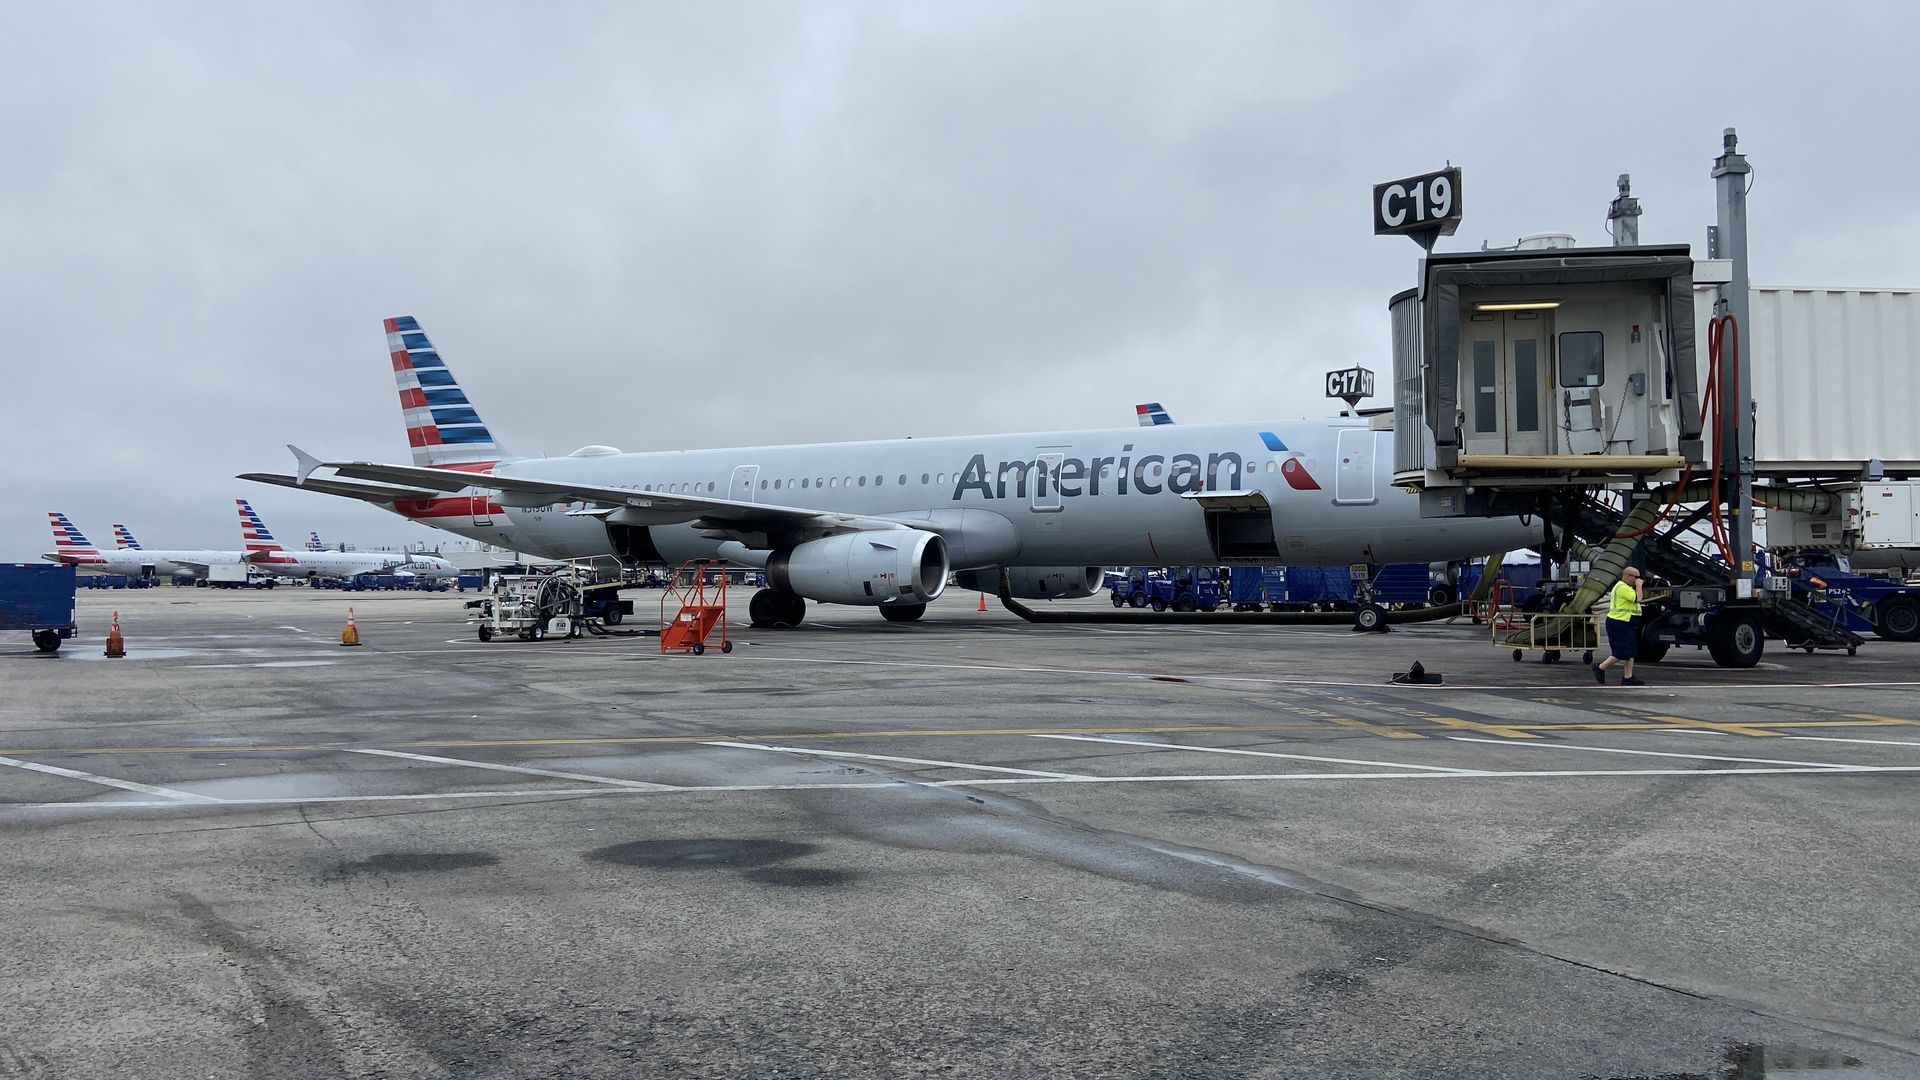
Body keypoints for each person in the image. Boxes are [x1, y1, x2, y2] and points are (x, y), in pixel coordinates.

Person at [1594, 566, 1646, 686]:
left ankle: (1628, 677)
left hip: (1627, 623)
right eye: (1636, 577)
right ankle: (1600, 667)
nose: (1638, 580)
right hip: (1618, 623)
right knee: (1621, 651)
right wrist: (1639, 585)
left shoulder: (1627, 587)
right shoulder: (1621, 587)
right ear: (1627, 576)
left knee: (1631, 651)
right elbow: (1638, 598)